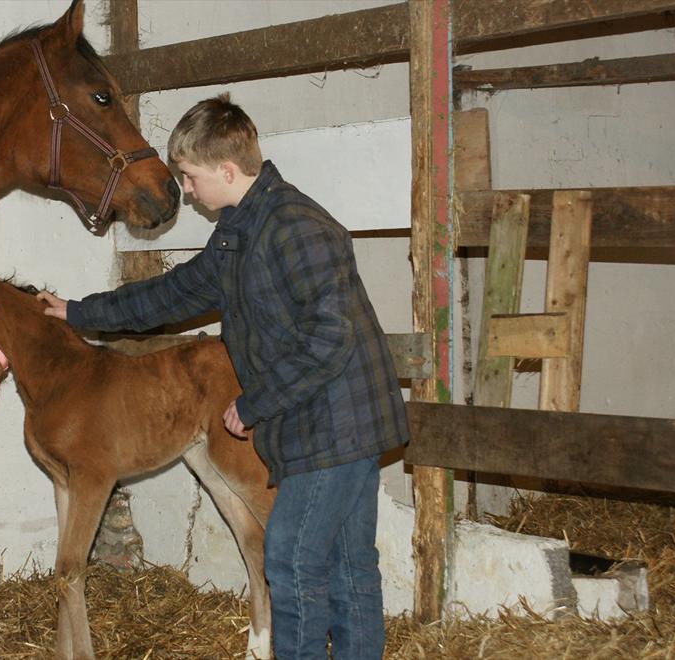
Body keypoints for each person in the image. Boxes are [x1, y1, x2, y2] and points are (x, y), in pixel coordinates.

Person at [36, 93, 408, 659]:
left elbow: (332, 337)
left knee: (292, 559)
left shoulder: (297, 226)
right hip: (322, 413)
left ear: (226, 171)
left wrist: (257, 402)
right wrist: (80, 311)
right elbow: (172, 293)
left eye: (188, 176)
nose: (185, 190)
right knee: (346, 563)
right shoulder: (239, 232)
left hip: (337, 418)